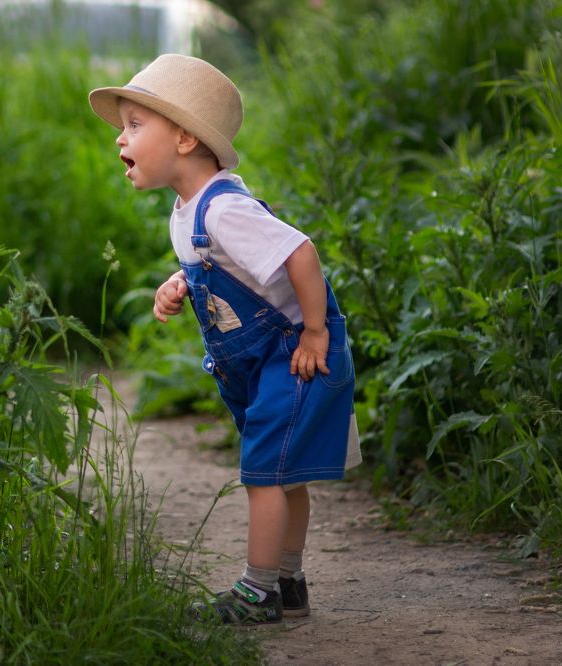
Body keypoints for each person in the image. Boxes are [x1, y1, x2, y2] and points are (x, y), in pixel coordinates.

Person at [89, 54, 361, 624]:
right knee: (286, 471)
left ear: (185, 138)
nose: (120, 138)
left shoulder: (225, 208)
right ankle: (290, 582)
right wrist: (179, 283)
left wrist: (315, 332)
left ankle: (259, 588)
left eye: (136, 125)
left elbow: (300, 254)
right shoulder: (188, 211)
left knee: (264, 471)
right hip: (260, 359)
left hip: (292, 352)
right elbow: (220, 267)